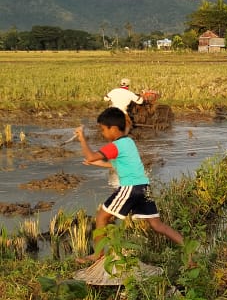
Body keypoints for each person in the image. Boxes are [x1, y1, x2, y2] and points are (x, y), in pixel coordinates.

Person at [73, 107, 185, 258]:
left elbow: (91, 155)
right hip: (144, 187)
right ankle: (190, 251)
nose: (102, 133)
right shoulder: (128, 142)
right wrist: (94, 163)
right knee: (157, 225)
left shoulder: (115, 146)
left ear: (113, 129)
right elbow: (115, 165)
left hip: (130, 187)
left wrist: (82, 139)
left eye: (103, 129)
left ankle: (98, 255)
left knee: (101, 217)